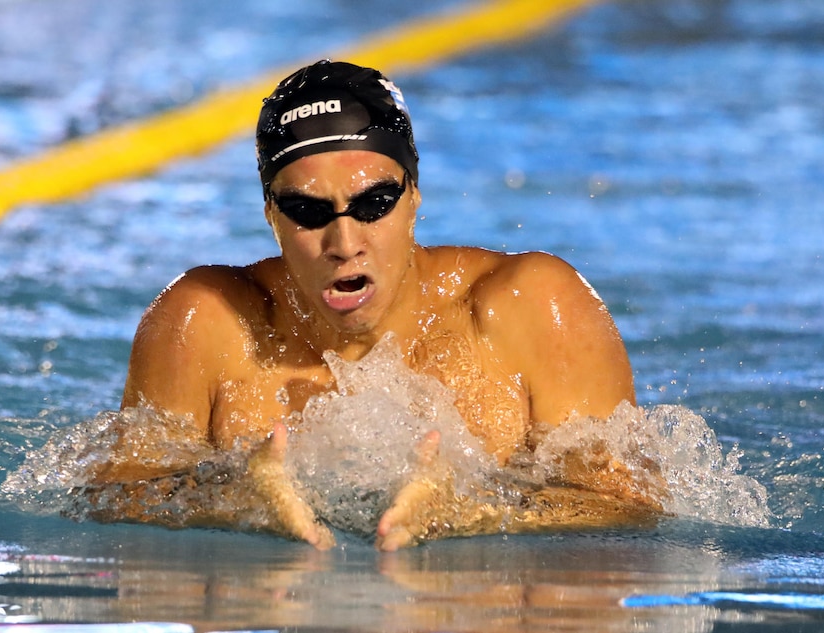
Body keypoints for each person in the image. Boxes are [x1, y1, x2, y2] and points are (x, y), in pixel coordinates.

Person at [86, 60, 663, 550]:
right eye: (309, 212)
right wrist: (234, 500)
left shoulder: (530, 306)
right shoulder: (205, 320)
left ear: (414, 195)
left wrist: (475, 511)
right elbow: (111, 501)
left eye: (374, 202)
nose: (344, 243)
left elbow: (633, 511)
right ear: (271, 216)